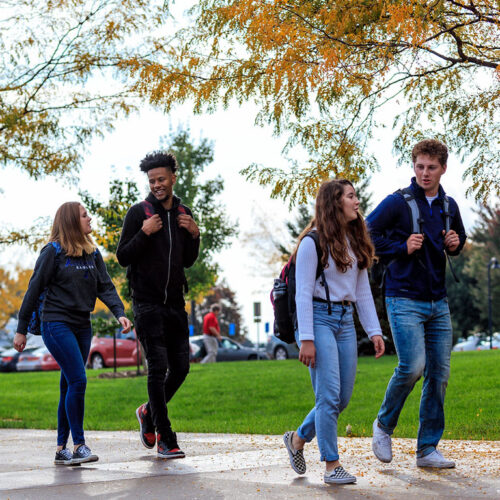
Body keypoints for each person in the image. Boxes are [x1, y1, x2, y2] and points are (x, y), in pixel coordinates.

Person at [366, 139, 466, 468]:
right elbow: (367, 233)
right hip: (403, 297)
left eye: (431, 167)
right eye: (419, 166)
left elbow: (458, 241)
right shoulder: (398, 202)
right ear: (414, 166)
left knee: (439, 374)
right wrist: (400, 246)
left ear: (443, 169)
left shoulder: (449, 206)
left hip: (438, 301)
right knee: (412, 367)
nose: (424, 173)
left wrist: (455, 243)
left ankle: (427, 450)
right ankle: (383, 426)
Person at [13, 202, 132, 466]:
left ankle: (60, 449)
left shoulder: (92, 253)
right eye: (84, 215)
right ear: (70, 221)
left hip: (82, 324)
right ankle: (79, 445)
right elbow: (33, 290)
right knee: (78, 380)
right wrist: (21, 330)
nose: (90, 218)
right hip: (55, 323)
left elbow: (106, 286)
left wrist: (119, 312)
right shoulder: (52, 253)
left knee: (68, 384)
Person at [283, 179, 385, 485]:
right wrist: (308, 339)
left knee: (340, 399)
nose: (357, 201)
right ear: (334, 203)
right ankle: (331, 465)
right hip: (317, 319)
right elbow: (302, 294)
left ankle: (298, 439)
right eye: (350, 197)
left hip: (344, 321)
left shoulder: (354, 240)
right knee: (327, 397)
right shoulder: (311, 243)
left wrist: (375, 330)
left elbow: (362, 292)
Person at [116, 151, 200, 459]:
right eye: (152, 181)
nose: (157, 185)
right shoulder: (139, 213)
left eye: (161, 179)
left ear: (173, 178)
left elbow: (188, 260)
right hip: (147, 304)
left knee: (181, 368)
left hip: (175, 304)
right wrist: (143, 233)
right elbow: (123, 255)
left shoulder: (184, 213)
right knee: (158, 369)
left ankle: (148, 412)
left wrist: (195, 234)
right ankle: (166, 437)